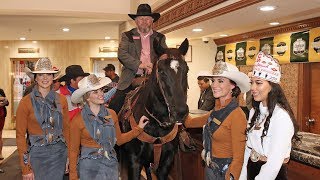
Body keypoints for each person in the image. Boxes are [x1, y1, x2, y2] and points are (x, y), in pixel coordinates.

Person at [69, 74, 149, 180]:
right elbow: (73, 151)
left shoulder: (112, 114)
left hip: (110, 166)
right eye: (95, 92)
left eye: (101, 90)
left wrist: (138, 128)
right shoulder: (77, 120)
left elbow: (119, 140)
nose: (101, 94)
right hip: (89, 169)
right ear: (87, 97)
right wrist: (73, 176)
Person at [239, 52, 300, 180]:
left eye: (258, 83)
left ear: (272, 86)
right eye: (252, 83)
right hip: (252, 169)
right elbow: (247, 150)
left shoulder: (281, 117)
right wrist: (242, 177)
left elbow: (273, 165)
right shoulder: (253, 112)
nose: (253, 88)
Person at [185, 61, 250, 180]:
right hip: (210, 167)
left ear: (232, 85)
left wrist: (231, 176)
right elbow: (189, 123)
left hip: (224, 173)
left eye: (220, 81)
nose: (214, 85)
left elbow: (239, 157)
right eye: (213, 80)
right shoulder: (216, 111)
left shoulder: (237, 115)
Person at [16, 57, 70, 180]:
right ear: (35, 78)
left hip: (59, 153)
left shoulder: (62, 100)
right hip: (37, 155)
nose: (45, 78)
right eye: (41, 74)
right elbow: (20, 136)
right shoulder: (25, 102)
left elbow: (66, 129)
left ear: (53, 77)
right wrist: (25, 167)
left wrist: (69, 157)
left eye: (48, 74)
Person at [109, 3, 167, 113]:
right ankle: (113, 127)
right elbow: (122, 54)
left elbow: (164, 56)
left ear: (152, 21)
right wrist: (141, 65)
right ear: (135, 21)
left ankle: (179, 125)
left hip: (153, 78)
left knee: (173, 99)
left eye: (147, 19)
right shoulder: (127, 35)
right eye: (141, 18)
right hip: (130, 78)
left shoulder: (160, 37)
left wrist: (156, 65)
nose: (144, 21)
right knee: (115, 105)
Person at [0, 89, 9, 161]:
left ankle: (0, 153)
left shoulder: (1, 91)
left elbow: (7, 103)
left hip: (1, 116)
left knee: (0, 135)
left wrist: (4, 101)